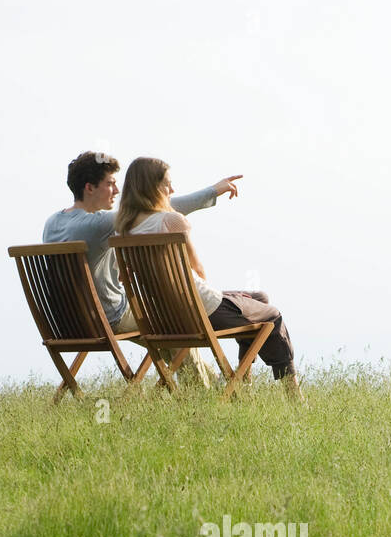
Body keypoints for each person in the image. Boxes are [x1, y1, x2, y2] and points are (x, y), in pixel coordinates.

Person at [115, 157, 302, 397]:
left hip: (165, 316)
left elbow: (124, 277)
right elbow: (199, 271)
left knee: (258, 297)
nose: (172, 190)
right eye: (167, 185)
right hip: (201, 310)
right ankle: (293, 394)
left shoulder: (125, 229)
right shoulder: (172, 220)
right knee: (273, 315)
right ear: (152, 188)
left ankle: (243, 381)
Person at [43, 151, 242, 340]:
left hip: (66, 323)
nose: (117, 191)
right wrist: (213, 190)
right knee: (175, 319)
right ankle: (200, 377)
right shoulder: (98, 224)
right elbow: (155, 212)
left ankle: (202, 376)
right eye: (110, 183)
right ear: (90, 188)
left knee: (161, 328)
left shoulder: (52, 222)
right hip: (107, 318)